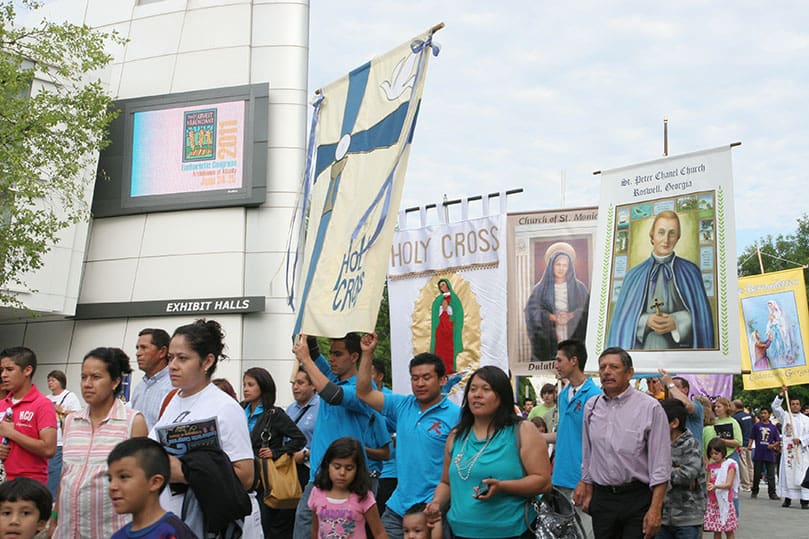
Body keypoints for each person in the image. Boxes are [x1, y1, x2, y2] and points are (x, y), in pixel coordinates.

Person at [149, 319, 261, 537]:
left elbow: (246, 476)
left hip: (214, 527)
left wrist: (185, 471)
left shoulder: (225, 407)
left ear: (207, 361)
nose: (172, 365)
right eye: (171, 357)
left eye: (183, 358)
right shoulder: (172, 399)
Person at [426, 366, 551, 539]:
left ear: (501, 396)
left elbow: (543, 482)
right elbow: (446, 483)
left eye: (486, 389)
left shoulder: (523, 430)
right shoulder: (456, 436)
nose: (477, 395)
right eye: (473, 389)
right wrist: (436, 503)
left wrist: (502, 487)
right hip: (460, 533)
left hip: (511, 533)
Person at [355, 334, 460, 539]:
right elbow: (364, 393)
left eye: (426, 377)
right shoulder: (402, 405)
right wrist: (367, 354)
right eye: (415, 378)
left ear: (442, 380)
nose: (420, 383)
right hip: (398, 509)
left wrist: (438, 504)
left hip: (434, 511)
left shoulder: (456, 415)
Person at [52, 347, 148, 538]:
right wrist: (55, 517)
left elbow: (142, 485)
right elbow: (66, 475)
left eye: (96, 377)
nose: (87, 384)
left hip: (111, 531)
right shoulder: (71, 421)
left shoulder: (132, 422)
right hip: (67, 532)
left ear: (115, 382)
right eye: (83, 377)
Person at [575, 347, 671, 539]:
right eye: (602, 367)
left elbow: (660, 464)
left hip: (637, 498)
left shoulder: (650, 407)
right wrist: (585, 483)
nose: (607, 372)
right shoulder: (591, 407)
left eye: (614, 367)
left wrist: (655, 509)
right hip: (603, 499)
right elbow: (588, 452)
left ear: (629, 373)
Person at [291, 334, 378, 539]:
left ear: (355, 356)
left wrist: (305, 361)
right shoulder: (331, 376)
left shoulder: (364, 388)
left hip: (349, 480)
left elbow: (333, 395)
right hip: (319, 478)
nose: (331, 358)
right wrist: (311, 321)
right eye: (331, 353)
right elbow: (308, 345)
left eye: (338, 354)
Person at [607, 210, 714, 350]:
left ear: (678, 237)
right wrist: (646, 320)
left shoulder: (691, 272)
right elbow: (622, 322)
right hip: (642, 349)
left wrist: (677, 321)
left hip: (681, 349)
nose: (666, 239)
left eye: (672, 233)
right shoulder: (634, 275)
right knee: (655, 339)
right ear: (652, 236)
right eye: (661, 232)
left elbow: (701, 318)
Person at [538, 339, 599, 538]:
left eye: (559, 360)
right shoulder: (563, 395)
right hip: (560, 476)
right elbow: (565, 434)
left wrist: (585, 479)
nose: (556, 365)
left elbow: (597, 443)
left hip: (582, 480)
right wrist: (537, 437)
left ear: (574, 361)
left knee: (585, 533)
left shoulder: (595, 395)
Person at [242, 367, 306, 538]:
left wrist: (276, 452)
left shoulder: (274, 414)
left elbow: (299, 439)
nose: (245, 389)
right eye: (244, 385)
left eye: (250, 385)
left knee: (263, 527)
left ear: (263, 387)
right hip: (242, 476)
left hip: (266, 479)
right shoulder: (240, 410)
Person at [108, 437, 197, 539]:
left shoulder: (171, 532)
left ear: (155, 482)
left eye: (123, 477)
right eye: (110, 479)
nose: (112, 486)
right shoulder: (118, 536)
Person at [308, 437, 387, 538]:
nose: (342, 473)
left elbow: (379, 533)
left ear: (357, 469)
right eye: (337, 467)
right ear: (328, 466)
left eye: (349, 468)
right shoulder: (317, 492)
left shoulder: (364, 497)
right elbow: (315, 530)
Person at [0, 347, 56, 486]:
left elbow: (49, 449)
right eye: (2, 370)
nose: (3, 375)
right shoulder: (2, 404)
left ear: (27, 370)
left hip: (29, 486)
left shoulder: (43, 404)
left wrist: (12, 433)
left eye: (9, 369)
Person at [525, 241, 590, 362]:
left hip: (572, 332)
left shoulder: (579, 287)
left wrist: (572, 315)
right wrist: (552, 317)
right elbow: (531, 312)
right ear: (551, 265)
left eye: (565, 265)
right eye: (558, 264)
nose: (561, 268)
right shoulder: (540, 289)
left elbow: (588, 310)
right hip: (551, 335)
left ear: (569, 267)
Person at [658, 399, 705, 539]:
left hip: (688, 518)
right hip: (662, 517)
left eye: (659, 420)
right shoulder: (656, 444)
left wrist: (660, 471)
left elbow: (686, 475)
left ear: (674, 423)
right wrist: (674, 469)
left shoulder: (691, 444)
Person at [45, 369, 82, 500]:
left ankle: (53, 499)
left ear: (60, 381)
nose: (50, 383)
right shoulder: (46, 399)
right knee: (46, 469)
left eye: (53, 380)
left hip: (61, 439)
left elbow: (78, 414)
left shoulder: (69, 396)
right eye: (49, 380)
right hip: (47, 439)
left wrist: (63, 410)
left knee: (54, 470)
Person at [771, 386, 809, 508]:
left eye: (797, 404)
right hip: (789, 453)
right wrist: (782, 394)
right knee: (788, 475)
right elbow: (775, 407)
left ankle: (805, 500)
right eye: (792, 404)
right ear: (790, 405)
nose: (795, 406)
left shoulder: (806, 419)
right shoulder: (786, 417)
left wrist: (802, 440)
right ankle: (788, 498)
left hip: (802, 453)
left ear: (800, 406)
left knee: (802, 476)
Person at [130, 328, 173, 431]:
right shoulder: (139, 388)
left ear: (162, 352)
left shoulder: (174, 386)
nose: (138, 353)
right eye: (137, 348)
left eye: (144, 348)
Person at [370, 358, 397, 516]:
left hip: (388, 471)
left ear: (380, 377)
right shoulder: (358, 397)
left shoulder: (392, 400)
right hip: (365, 469)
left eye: (369, 373)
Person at [285, 369, 320, 489]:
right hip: (290, 467)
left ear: (313, 385)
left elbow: (328, 440)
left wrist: (306, 455)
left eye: (300, 383)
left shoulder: (321, 408)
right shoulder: (290, 409)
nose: (295, 387)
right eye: (294, 383)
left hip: (311, 468)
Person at [658, 371, 704, 447]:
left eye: (676, 386)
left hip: (691, 455)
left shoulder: (697, 405)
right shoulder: (664, 408)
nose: (671, 389)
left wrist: (670, 383)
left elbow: (688, 406)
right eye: (669, 387)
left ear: (685, 389)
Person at [704, 437, 738, 539]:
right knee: (716, 530)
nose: (714, 456)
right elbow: (708, 481)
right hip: (713, 501)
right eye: (711, 454)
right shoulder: (711, 466)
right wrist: (708, 486)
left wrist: (716, 486)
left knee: (728, 530)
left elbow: (729, 484)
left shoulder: (729, 465)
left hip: (725, 500)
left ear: (723, 452)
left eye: (716, 453)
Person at [430, 278, 464, 374]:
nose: (442, 288)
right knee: (440, 348)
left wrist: (449, 312)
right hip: (440, 326)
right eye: (440, 286)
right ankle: (438, 368)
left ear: (448, 285)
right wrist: (442, 310)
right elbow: (435, 313)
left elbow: (458, 313)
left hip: (449, 326)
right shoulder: (438, 299)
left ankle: (449, 368)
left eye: (443, 285)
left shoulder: (454, 298)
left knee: (449, 348)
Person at [749, 405, 780, 500]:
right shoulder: (757, 426)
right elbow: (752, 436)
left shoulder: (773, 427)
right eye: (762, 413)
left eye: (765, 413)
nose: (763, 415)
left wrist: (773, 446)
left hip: (769, 454)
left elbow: (778, 440)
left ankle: (772, 493)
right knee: (757, 474)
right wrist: (749, 445)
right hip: (759, 453)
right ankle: (754, 491)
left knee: (770, 474)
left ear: (769, 415)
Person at [732, 399, 754, 492]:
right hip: (749, 442)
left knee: (743, 464)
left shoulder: (736, 418)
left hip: (741, 443)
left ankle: (746, 484)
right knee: (750, 464)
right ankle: (752, 482)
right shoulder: (749, 416)